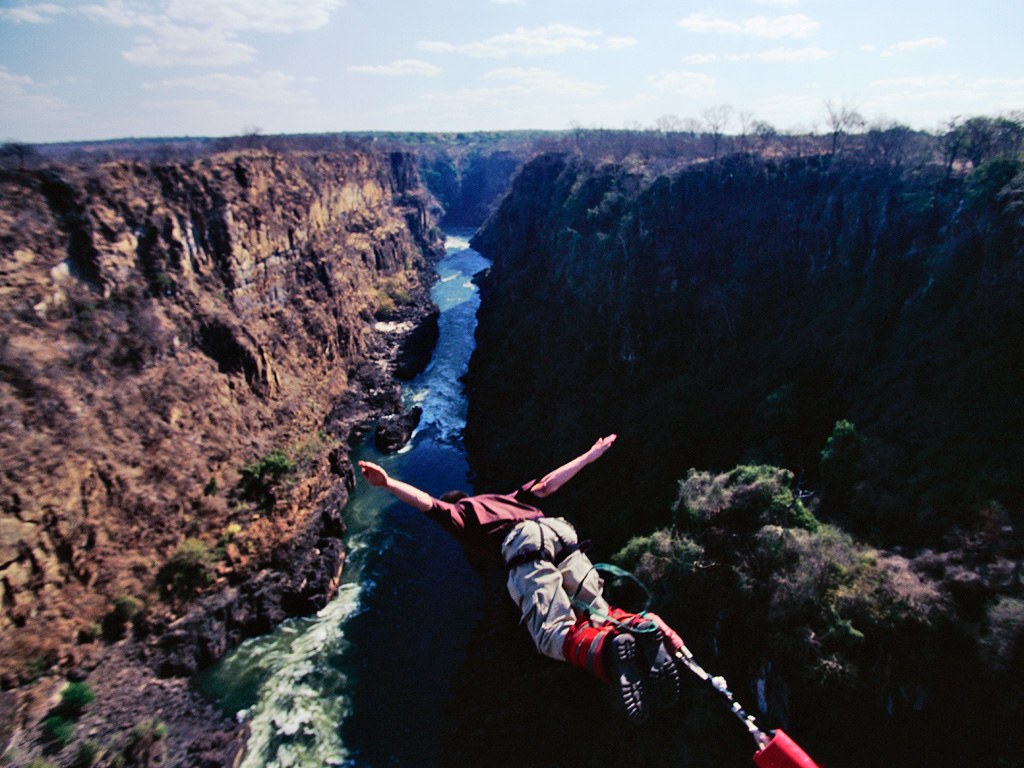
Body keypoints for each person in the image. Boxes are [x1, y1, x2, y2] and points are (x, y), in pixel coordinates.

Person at [357, 434, 682, 723]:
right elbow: (546, 485)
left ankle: (610, 649)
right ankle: (642, 628)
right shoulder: (504, 499)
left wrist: (387, 483)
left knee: (552, 634)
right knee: (598, 613)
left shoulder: (461, 514)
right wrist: (590, 455)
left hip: (525, 545)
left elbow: (427, 503)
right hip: (559, 532)